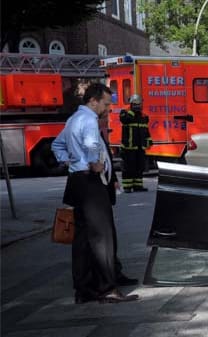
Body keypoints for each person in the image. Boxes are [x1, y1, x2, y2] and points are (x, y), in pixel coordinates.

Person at [51, 83, 139, 304]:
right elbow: (91, 144)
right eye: (106, 104)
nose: (107, 109)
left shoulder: (72, 120)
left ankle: (84, 289)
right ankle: (107, 289)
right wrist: (93, 163)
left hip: (76, 181)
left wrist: (70, 161)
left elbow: (57, 145)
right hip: (90, 183)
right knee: (102, 237)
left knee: (82, 239)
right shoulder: (89, 119)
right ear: (93, 101)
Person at [99, 110, 139, 287]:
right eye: (105, 116)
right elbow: (60, 146)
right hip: (91, 187)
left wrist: (113, 179)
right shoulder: (84, 125)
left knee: (108, 236)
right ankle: (106, 281)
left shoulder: (99, 134)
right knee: (101, 238)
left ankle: (114, 273)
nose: (108, 121)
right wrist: (79, 165)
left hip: (103, 187)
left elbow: (106, 157)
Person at [120, 94, 152, 193]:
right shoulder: (125, 113)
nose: (138, 107)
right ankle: (127, 186)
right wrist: (132, 111)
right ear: (131, 104)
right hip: (128, 147)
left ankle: (138, 186)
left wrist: (149, 140)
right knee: (129, 167)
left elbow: (146, 130)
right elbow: (125, 120)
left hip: (140, 147)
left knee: (139, 167)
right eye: (135, 105)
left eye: (139, 105)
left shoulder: (144, 116)